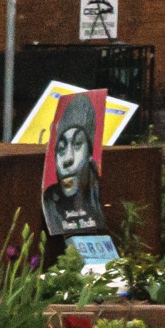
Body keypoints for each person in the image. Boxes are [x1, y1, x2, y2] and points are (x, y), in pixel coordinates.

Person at [38, 96, 105, 241]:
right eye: (61, 148)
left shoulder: (97, 196)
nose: (67, 159)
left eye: (77, 143)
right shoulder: (50, 203)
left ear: (89, 153)